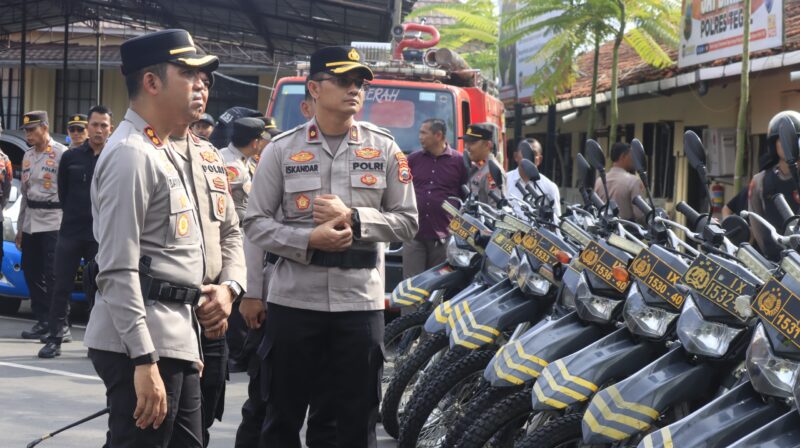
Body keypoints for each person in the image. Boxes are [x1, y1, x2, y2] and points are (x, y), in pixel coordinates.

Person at [242, 45, 418, 447]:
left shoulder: (385, 148)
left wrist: (354, 218)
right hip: (294, 303)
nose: (354, 89)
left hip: (359, 306)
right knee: (281, 418)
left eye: (359, 83)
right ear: (314, 89)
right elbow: (254, 222)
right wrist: (307, 239)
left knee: (351, 424)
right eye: (342, 81)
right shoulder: (281, 149)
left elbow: (408, 222)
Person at [85, 29, 220, 447]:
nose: (200, 84)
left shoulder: (162, 149)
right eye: (188, 73)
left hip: (172, 335)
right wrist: (143, 359)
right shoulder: (132, 154)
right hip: (143, 341)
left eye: (201, 76)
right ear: (151, 82)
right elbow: (117, 268)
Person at [235, 88, 338, 448]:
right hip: (277, 290)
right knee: (266, 401)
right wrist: (252, 294)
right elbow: (254, 236)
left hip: (328, 302)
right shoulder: (281, 160)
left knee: (326, 407)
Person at [169, 68, 246, 447]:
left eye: (206, 83)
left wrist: (229, 289)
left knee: (203, 417)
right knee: (148, 430)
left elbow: (231, 232)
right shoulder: (138, 153)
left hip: (213, 314)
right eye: (191, 80)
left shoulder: (210, 156)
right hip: (166, 313)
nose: (201, 89)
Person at [38, 106, 113, 358]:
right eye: (95, 125)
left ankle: (97, 343)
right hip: (70, 232)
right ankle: (55, 338)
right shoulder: (70, 157)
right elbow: (63, 192)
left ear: (110, 129)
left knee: (99, 289)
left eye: (103, 125)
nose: (99, 130)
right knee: (61, 286)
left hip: (100, 235)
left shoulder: (115, 156)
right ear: (88, 127)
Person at [17, 111, 66, 340]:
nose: (28, 134)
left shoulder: (61, 153)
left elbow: (68, 190)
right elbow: (24, 195)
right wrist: (20, 227)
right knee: (31, 271)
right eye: (26, 130)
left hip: (53, 219)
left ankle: (59, 323)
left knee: (53, 274)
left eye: (32, 130)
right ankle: (43, 319)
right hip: (31, 220)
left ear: (45, 128)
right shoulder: (27, 155)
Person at [403, 118, 467, 279]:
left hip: (443, 236)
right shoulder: (413, 160)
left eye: (424, 133)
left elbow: (466, 196)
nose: (420, 137)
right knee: (411, 284)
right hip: (414, 234)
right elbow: (401, 188)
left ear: (438, 135)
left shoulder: (459, 161)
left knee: (437, 284)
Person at [749, 110, 800, 261]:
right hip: (774, 261)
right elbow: (757, 224)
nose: (786, 144)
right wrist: (769, 255)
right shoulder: (760, 181)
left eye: (793, 139)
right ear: (773, 144)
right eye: (781, 139)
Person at [220, 118, 269, 223]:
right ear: (255, 143)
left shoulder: (243, 157)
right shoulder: (234, 168)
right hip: (234, 225)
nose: (263, 143)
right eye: (261, 140)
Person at [507, 138, 561, 219]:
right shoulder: (504, 181)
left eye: (534, 153)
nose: (529, 157)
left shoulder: (550, 187)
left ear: (540, 159)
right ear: (516, 156)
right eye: (525, 153)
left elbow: (556, 220)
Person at [593, 141, 645, 222]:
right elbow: (640, 215)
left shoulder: (599, 181)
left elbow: (594, 209)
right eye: (631, 156)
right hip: (626, 228)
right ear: (623, 156)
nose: (633, 160)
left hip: (602, 228)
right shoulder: (633, 181)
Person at [463, 122, 505, 206]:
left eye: (472, 143)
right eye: (466, 142)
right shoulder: (479, 166)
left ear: (488, 145)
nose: (467, 147)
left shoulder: (491, 172)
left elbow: (496, 209)